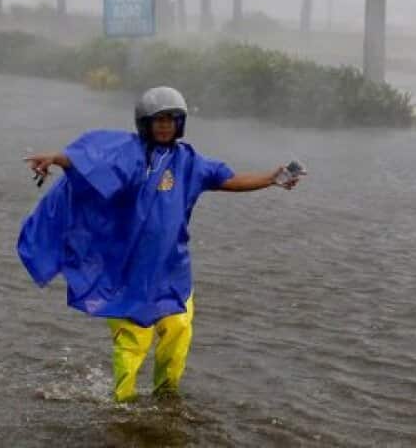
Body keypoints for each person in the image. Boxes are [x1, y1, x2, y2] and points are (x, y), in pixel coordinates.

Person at [18, 86, 300, 402]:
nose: (165, 125)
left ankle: (167, 398)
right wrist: (57, 159)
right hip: (128, 274)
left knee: (178, 333)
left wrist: (271, 178)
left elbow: (230, 180)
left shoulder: (190, 162)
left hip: (173, 271)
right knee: (133, 343)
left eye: (172, 119)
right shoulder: (127, 154)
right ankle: (121, 406)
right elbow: (91, 161)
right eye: (159, 120)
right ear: (145, 123)